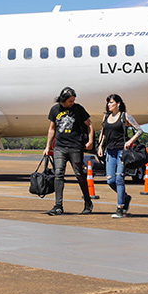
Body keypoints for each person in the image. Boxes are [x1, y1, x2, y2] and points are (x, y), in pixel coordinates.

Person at [43, 86, 93, 215]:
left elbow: (89, 124)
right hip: (60, 147)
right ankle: (58, 206)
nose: (72, 103)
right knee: (58, 174)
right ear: (63, 100)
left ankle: (88, 202)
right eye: (70, 100)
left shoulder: (78, 109)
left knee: (79, 174)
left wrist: (90, 141)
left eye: (73, 100)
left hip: (75, 147)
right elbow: (52, 129)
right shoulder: (55, 110)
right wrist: (48, 146)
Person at [96, 93, 141, 218]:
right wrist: (100, 146)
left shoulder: (125, 116)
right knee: (110, 180)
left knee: (119, 178)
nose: (109, 105)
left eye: (111, 102)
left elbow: (139, 130)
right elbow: (103, 133)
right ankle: (125, 197)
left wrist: (129, 142)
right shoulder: (106, 117)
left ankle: (120, 208)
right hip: (110, 152)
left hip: (122, 151)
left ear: (118, 103)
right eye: (108, 102)